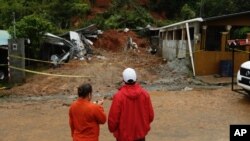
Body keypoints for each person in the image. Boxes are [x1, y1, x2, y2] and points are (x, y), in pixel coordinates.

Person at [108, 68, 154, 141]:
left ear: (123, 80)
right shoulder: (145, 94)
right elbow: (150, 116)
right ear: (136, 78)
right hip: (140, 135)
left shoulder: (119, 97)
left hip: (123, 136)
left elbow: (113, 118)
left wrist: (113, 129)